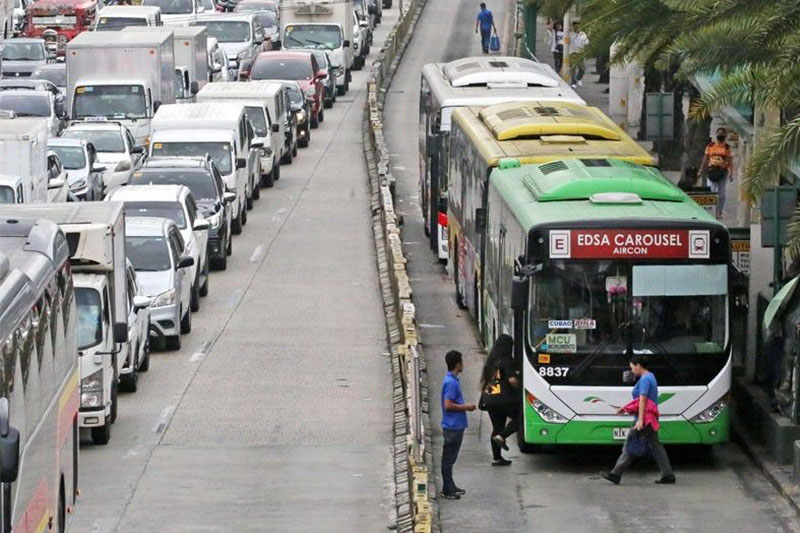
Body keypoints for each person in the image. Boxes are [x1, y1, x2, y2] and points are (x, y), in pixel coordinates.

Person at [601, 355, 675, 485]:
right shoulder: (650, 376)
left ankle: (615, 474)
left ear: (638, 366)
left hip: (644, 419)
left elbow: (642, 401)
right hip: (649, 417)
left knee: (630, 445)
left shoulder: (645, 380)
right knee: (656, 446)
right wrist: (625, 408)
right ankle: (668, 475)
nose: (632, 371)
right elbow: (639, 401)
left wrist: (640, 420)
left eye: (632, 368)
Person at [440, 350, 476, 500]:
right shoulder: (451, 383)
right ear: (457, 364)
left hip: (455, 425)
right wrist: (466, 407)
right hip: (452, 425)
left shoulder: (452, 380)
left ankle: (450, 485)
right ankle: (448, 489)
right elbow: (448, 405)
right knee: (448, 458)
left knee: (450, 458)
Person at [480, 334, 519, 466]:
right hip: (503, 399)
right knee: (521, 418)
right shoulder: (506, 360)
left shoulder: (490, 361)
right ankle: (502, 436)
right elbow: (512, 380)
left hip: (489, 399)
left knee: (496, 427)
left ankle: (496, 458)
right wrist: (521, 388)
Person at [698, 127, 734, 219]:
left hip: (722, 172)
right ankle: (712, 212)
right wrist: (700, 171)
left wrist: (731, 173)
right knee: (711, 191)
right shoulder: (710, 146)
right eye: (719, 134)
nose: (720, 136)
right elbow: (705, 159)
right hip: (711, 171)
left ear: (725, 136)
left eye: (722, 134)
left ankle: (720, 211)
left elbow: (730, 161)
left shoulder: (727, 148)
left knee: (721, 193)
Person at [569, 21, 589, 88]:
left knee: (582, 69)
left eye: (578, 26)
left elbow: (586, 42)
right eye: (575, 27)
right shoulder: (570, 34)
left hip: (580, 53)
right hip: (572, 53)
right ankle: (573, 82)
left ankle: (578, 78)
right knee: (573, 69)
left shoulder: (583, 34)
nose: (576, 28)